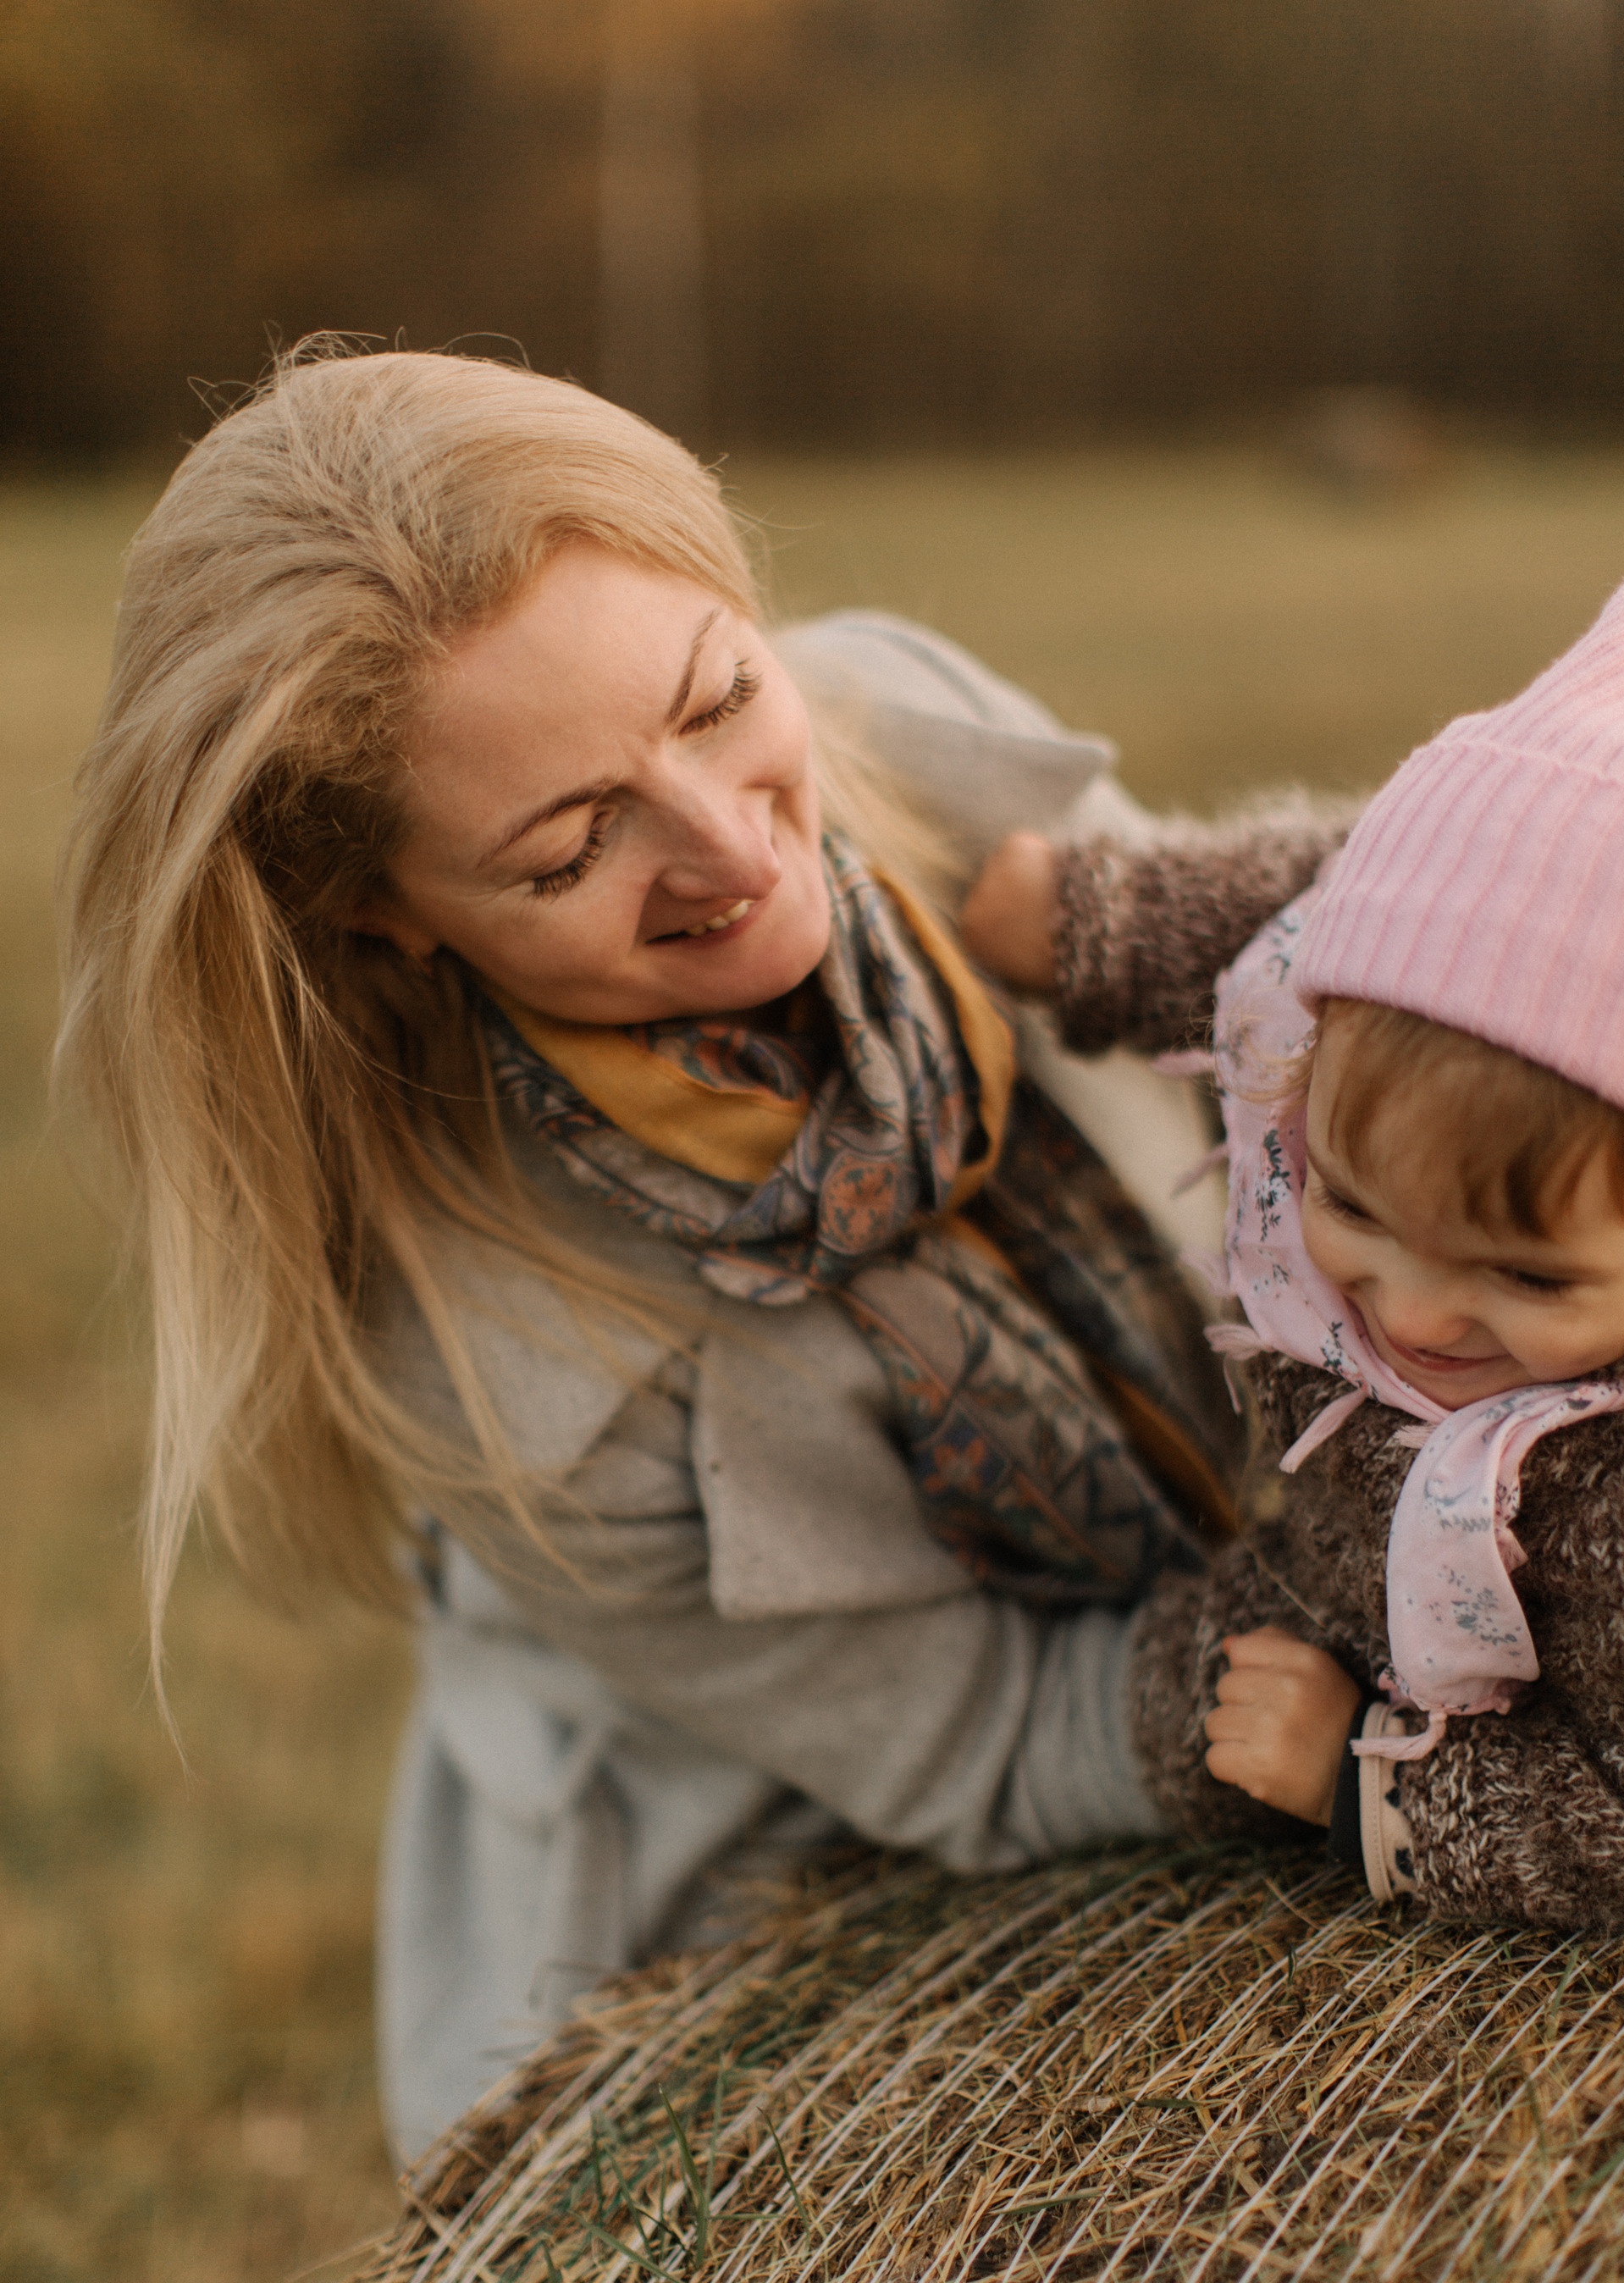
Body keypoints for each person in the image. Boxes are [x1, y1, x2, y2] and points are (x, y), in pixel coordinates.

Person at [58, 342, 1352, 2159]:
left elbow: (1303, 1050)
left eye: (720, 695)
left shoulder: (905, 721)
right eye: (569, 850)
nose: (729, 847)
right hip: (773, 1907)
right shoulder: (513, 1374)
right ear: (379, 915)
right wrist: (1333, 1671)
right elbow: (975, 1740)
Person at [963, 554, 1624, 1927]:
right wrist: (1091, 923)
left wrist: (1368, 1780)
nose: (1408, 1316)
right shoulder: (1343, 1005)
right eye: (1352, 1205)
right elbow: (1313, 893)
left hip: (1514, 1735)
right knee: (1167, 1716)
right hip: (1312, 1577)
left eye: (1527, 1274)